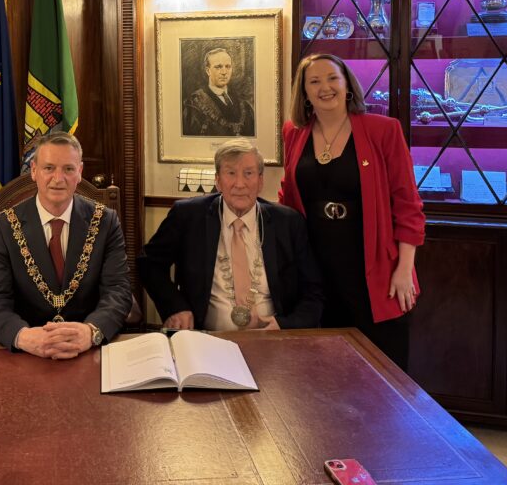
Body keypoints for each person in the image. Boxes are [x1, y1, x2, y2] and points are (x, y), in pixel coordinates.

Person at [278, 53, 425, 370]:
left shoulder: (383, 130)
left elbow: (408, 204)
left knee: (383, 371)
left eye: (333, 78)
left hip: (375, 268)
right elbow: (287, 197)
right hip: (317, 269)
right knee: (327, 370)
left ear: (347, 85)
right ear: (304, 92)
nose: (325, 87)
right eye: (314, 81)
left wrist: (404, 269)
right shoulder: (293, 132)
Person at [139, 139, 323, 331]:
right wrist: (175, 307)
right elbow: (149, 263)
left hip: (272, 338)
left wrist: (283, 325)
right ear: (218, 181)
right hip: (206, 338)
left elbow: (313, 291)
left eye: (248, 173)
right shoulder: (188, 216)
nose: (240, 184)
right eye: (231, 173)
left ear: (260, 180)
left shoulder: (288, 223)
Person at [0, 131, 132, 358]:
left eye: (68, 169)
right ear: (34, 171)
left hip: (88, 350)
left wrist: (91, 332)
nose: (58, 179)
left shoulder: (105, 222)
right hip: (27, 351)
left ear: (79, 172)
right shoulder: (4, 227)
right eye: (49, 168)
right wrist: (23, 336)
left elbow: (118, 291)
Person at [182, 47, 255, 137]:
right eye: (218, 67)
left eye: (228, 66)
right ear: (208, 71)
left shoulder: (244, 105)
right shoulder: (193, 105)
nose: (224, 72)